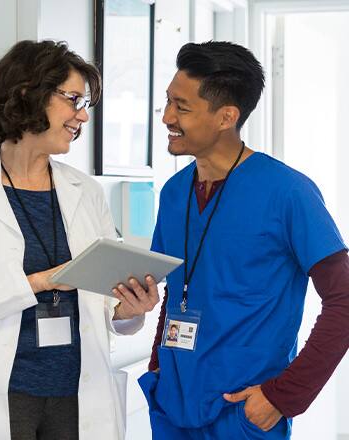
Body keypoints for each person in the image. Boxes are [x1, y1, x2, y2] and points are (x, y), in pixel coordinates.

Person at [0, 40, 159, 440]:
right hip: (0, 393)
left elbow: (104, 303)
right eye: (72, 99)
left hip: (79, 394)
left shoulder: (85, 192)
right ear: (27, 93)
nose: (82, 116)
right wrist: (39, 282)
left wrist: (129, 310)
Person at [138, 41, 349, 440]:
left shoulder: (288, 192)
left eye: (181, 107)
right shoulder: (173, 192)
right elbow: (176, 289)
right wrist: (157, 367)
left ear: (226, 117)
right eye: (167, 102)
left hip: (243, 412)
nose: (167, 117)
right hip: (172, 405)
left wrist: (284, 396)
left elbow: (344, 299)